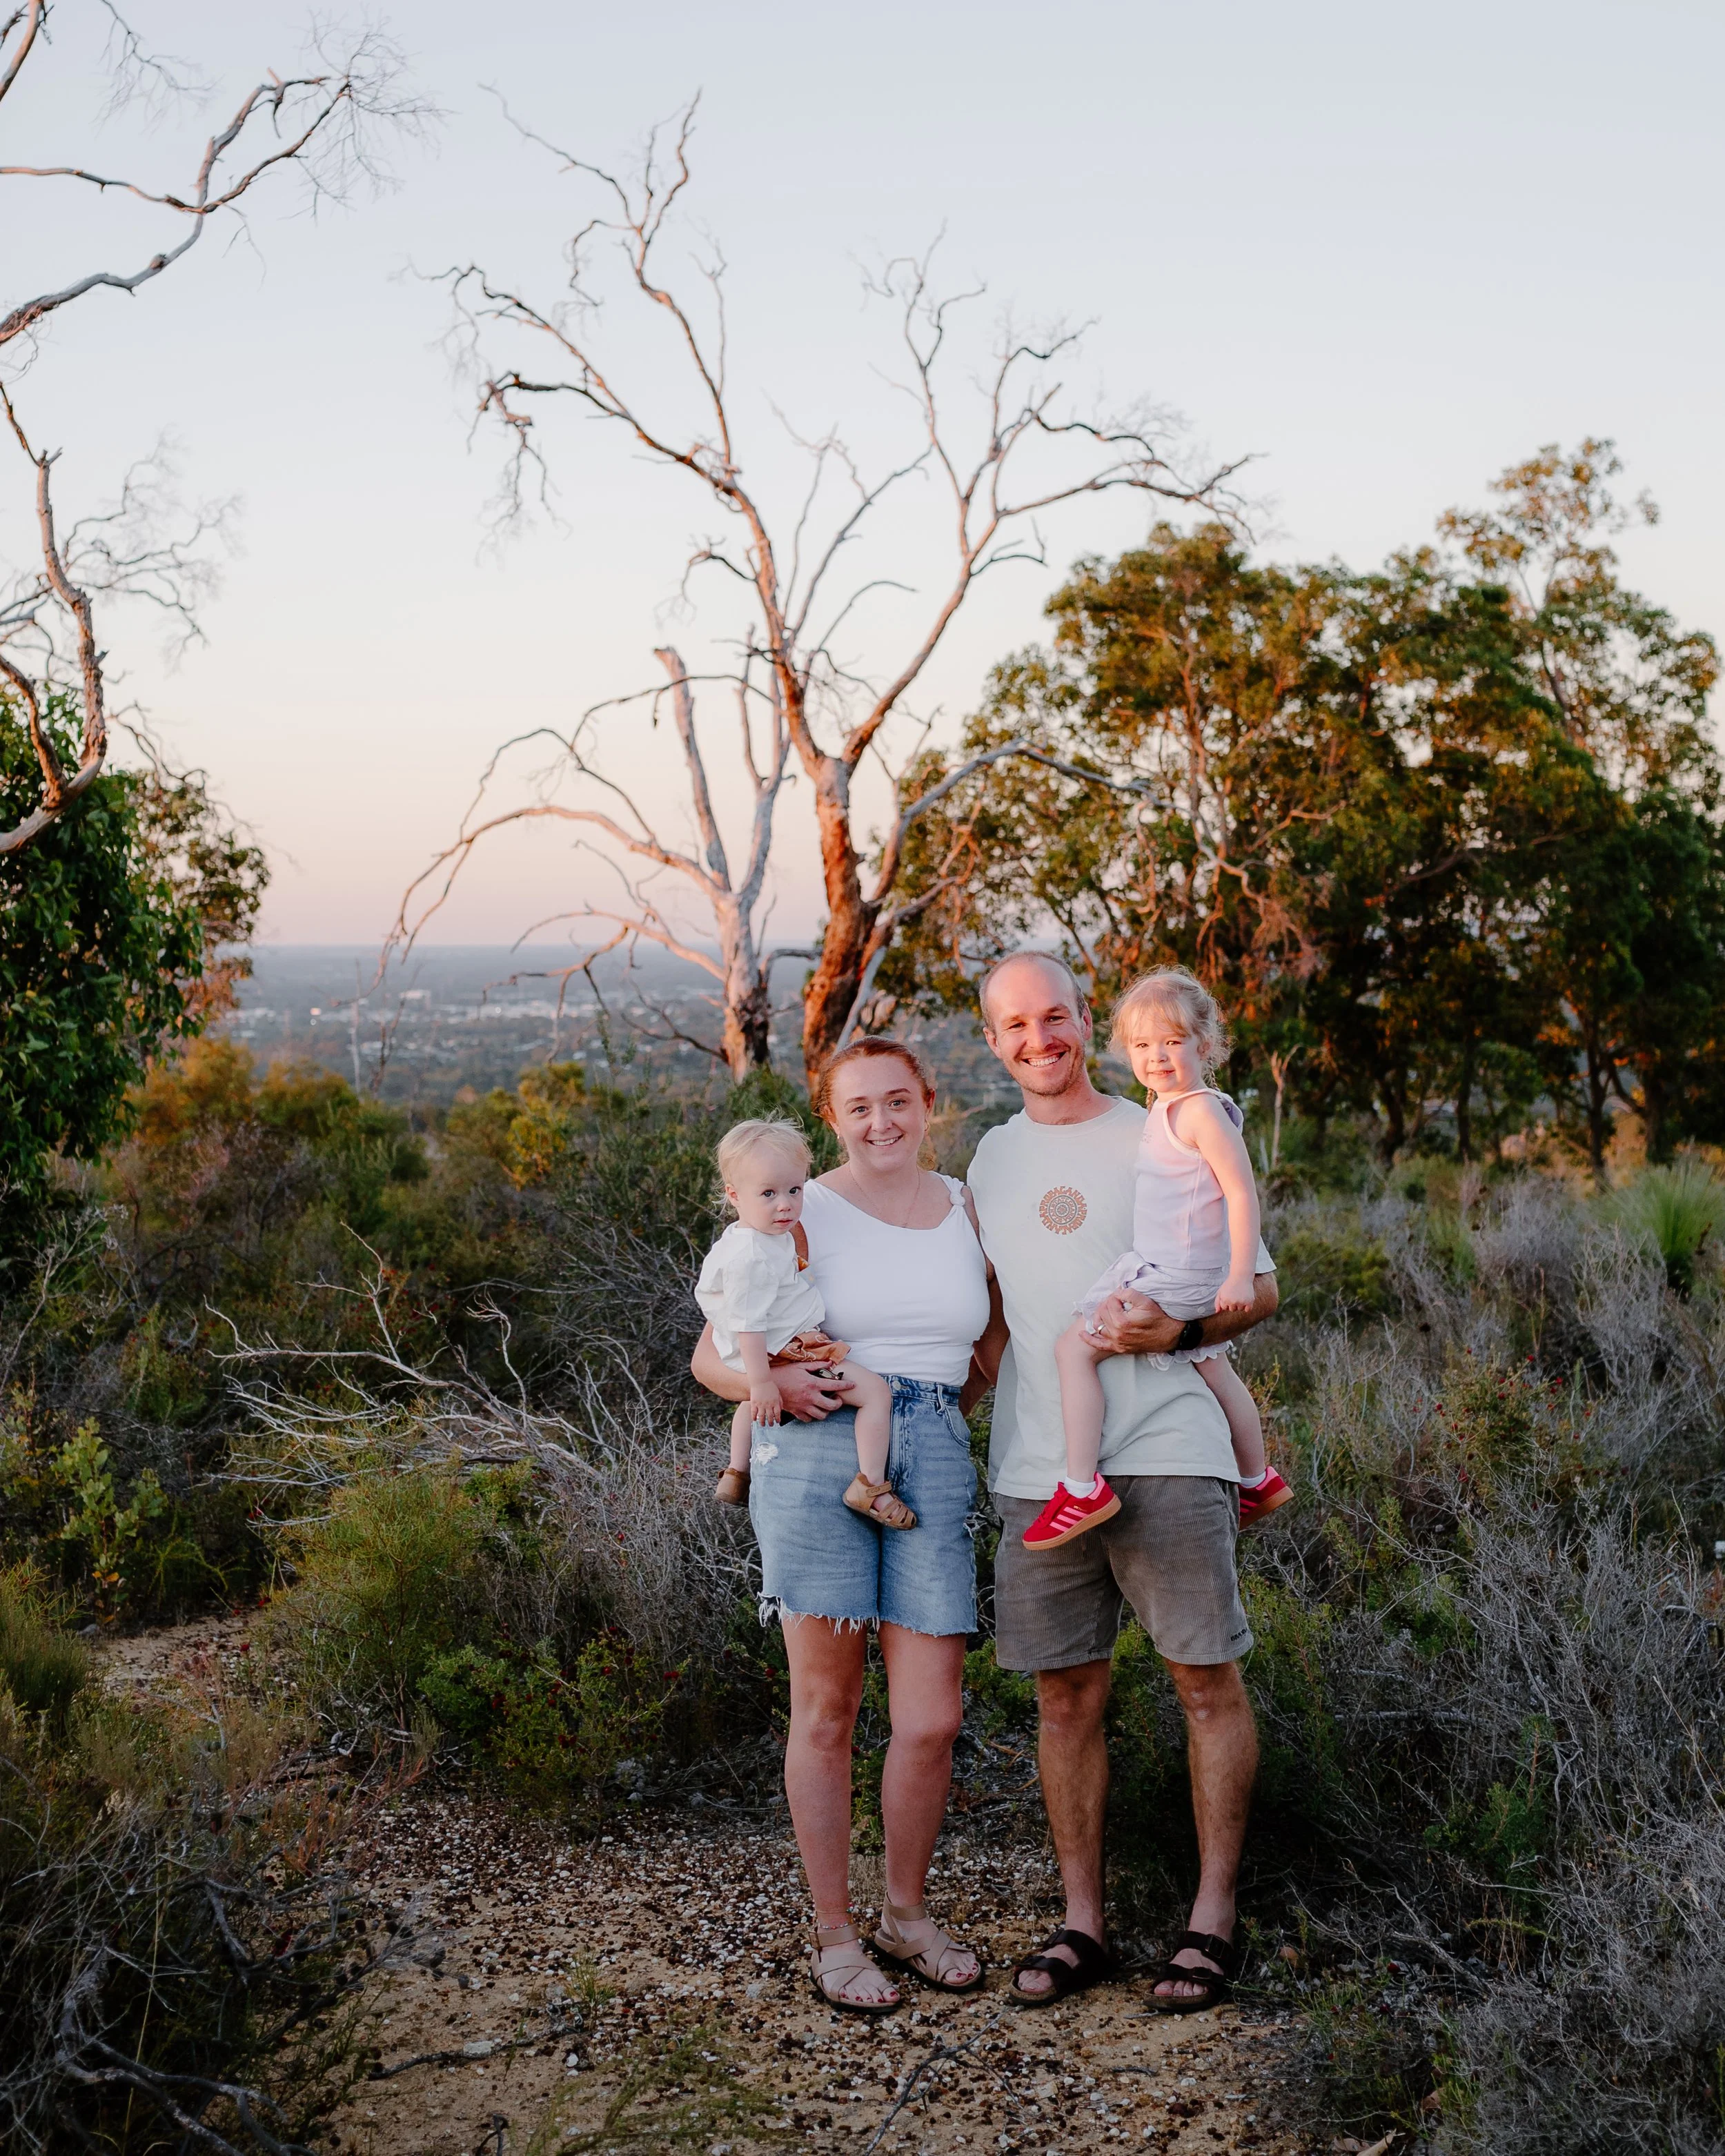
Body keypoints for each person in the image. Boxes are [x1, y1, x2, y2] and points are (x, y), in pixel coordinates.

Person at [967, 951, 1277, 2013]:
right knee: (1065, 1698)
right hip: (1038, 1471)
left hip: (1169, 1446)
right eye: (1014, 1026)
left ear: (1085, 1019)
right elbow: (994, 1324)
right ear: (994, 1041)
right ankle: (1084, 1924)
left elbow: (1260, 1286)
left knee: (1204, 1682)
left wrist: (1184, 1328)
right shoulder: (990, 1161)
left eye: (1054, 1017)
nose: (1037, 1039)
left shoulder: (1166, 1120)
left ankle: (1211, 1919)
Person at [691, 1039, 993, 2015]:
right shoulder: (797, 1204)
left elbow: (990, 1340)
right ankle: (835, 1932)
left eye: (898, 1101)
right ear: (833, 1118)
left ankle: (906, 1915)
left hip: (932, 1448)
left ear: (928, 1101)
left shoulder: (964, 1206)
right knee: (827, 1708)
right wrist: (770, 1381)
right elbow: (713, 1356)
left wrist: (939, 1424)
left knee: (930, 1716)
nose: (881, 1123)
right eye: (859, 1108)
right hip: (820, 1444)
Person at [1025, 967, 1292, 1550]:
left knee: (1072, 1348)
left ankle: (1080, 1486)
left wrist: (1240, 1274)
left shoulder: (1197, 1111)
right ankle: (1257, 1477)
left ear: (1205, 1044)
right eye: (1143, 1045)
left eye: (1172, 1042)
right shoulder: (1169, 1106)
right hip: (1181, 1269)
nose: (1158, 1056)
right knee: (1211, 1363)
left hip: (1179, 1276)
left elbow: (1241, 1192)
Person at [698, 1116, 910, 1530]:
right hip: (785, 1349)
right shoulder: (752, 1258)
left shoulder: (751, 1238)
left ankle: (736, 1471)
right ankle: (871, 1485)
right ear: (734, 1194)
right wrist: (762, 1383)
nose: (786, 1204)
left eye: (795, 1189)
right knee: (875, 1394)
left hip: (772, 1348)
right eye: (769, 1193)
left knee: (749, 1404)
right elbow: (749, 1326)